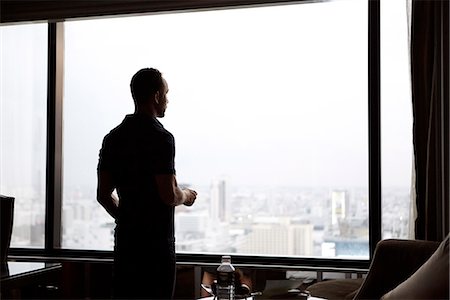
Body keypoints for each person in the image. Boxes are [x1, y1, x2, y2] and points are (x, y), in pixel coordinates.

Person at [97, 68, 197, 299]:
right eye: (166, 93)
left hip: (126, 245)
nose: (168, 100)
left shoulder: (113, 138)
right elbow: (169, 195)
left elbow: (103, 194)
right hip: (156, 248)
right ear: (156, 96)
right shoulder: (161, 138)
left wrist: (127, 219)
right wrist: (188, 195)